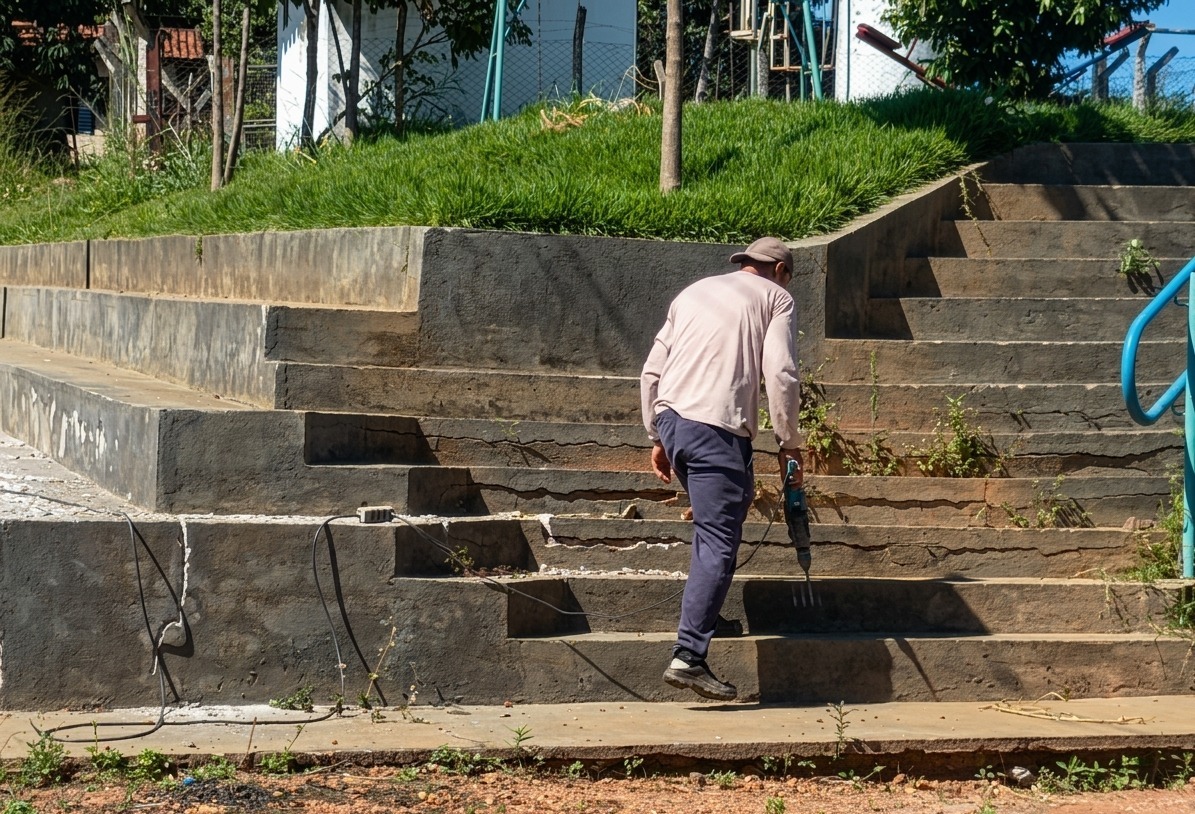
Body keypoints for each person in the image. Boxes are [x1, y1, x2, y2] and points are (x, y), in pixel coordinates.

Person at [640, 236, 803, 701]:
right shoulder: (777, 298)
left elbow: (651, 372)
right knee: (718, 539)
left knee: (717, 528)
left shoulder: (694, 291)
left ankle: (704, 617)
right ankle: (689, 656)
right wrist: (789, 443)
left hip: (673, 421)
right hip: (716, 429)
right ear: (780, 271)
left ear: (745, 263)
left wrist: (657, 436)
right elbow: (781, 373)